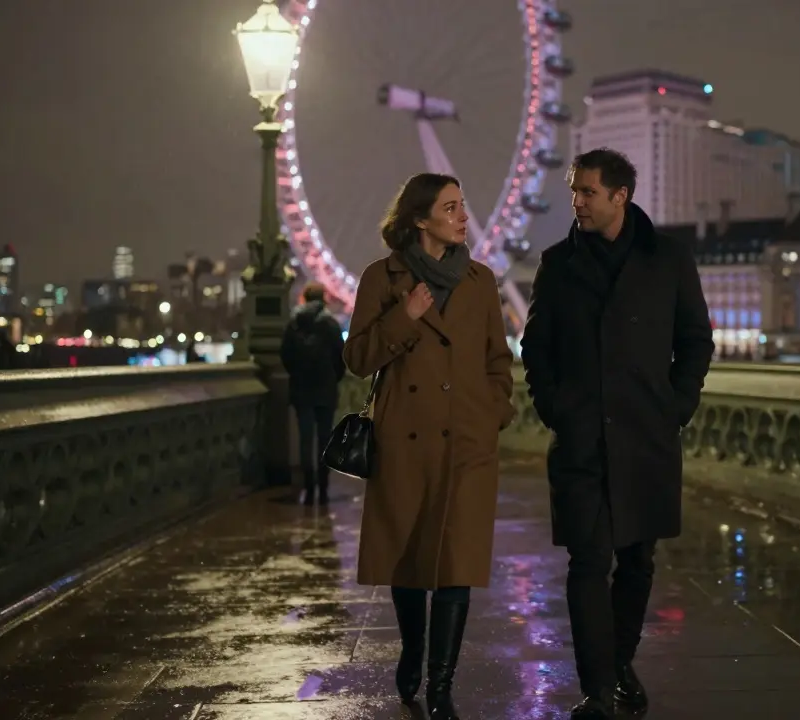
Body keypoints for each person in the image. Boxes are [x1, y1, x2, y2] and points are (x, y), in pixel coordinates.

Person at [520, 148, 714, 718]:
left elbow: (695, 340)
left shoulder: (668, 259)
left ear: (619, 196)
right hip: (583, 437)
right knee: (587, 562)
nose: (576, 202)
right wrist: (556, 407)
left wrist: (675, 407)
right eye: (573, 191)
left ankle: (618, 662)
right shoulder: (558, 263)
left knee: (636, 562)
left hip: (646, 436)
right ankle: (598, 691)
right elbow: (536, 347)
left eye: (587, 192)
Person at [343, 172, 516, 719]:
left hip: (467, 441)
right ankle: (413, 649)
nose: (464, 217)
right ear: (420, 219)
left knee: (458, 563)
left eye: (462, 205)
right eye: (450, 208)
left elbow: (497, 358)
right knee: (410, 560)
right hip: (406, 441)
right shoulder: (382, 278)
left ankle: (441, 684)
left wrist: (493, 412)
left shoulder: (480, 281)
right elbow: (357, 358)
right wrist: (406, 316)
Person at [280, 283, 346, 506]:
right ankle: (323, 489)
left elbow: (286, 356)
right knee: (325, 440)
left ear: (304, 298)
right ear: (324, 299)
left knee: (305, 440)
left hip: (302, 389)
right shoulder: (331, 324)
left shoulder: (294, 324)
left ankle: (308, 489)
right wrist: (332, 378)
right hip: (325, 389)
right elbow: (341, 358)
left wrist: (298, 375)